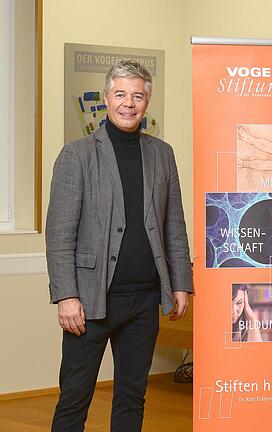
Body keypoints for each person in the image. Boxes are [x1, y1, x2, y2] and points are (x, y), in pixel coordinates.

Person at [46, 59, 193, 432]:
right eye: (121, 94)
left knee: (133, 396)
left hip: (144, 300)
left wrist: (180, 282)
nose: (129, 103)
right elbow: (60, 234)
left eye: (138, 95)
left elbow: (174, 224)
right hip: (90, 301)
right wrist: (66, 296)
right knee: (75, 396)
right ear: (108, 98)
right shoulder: (77, 156)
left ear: (147, 102)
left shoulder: (162, 153)